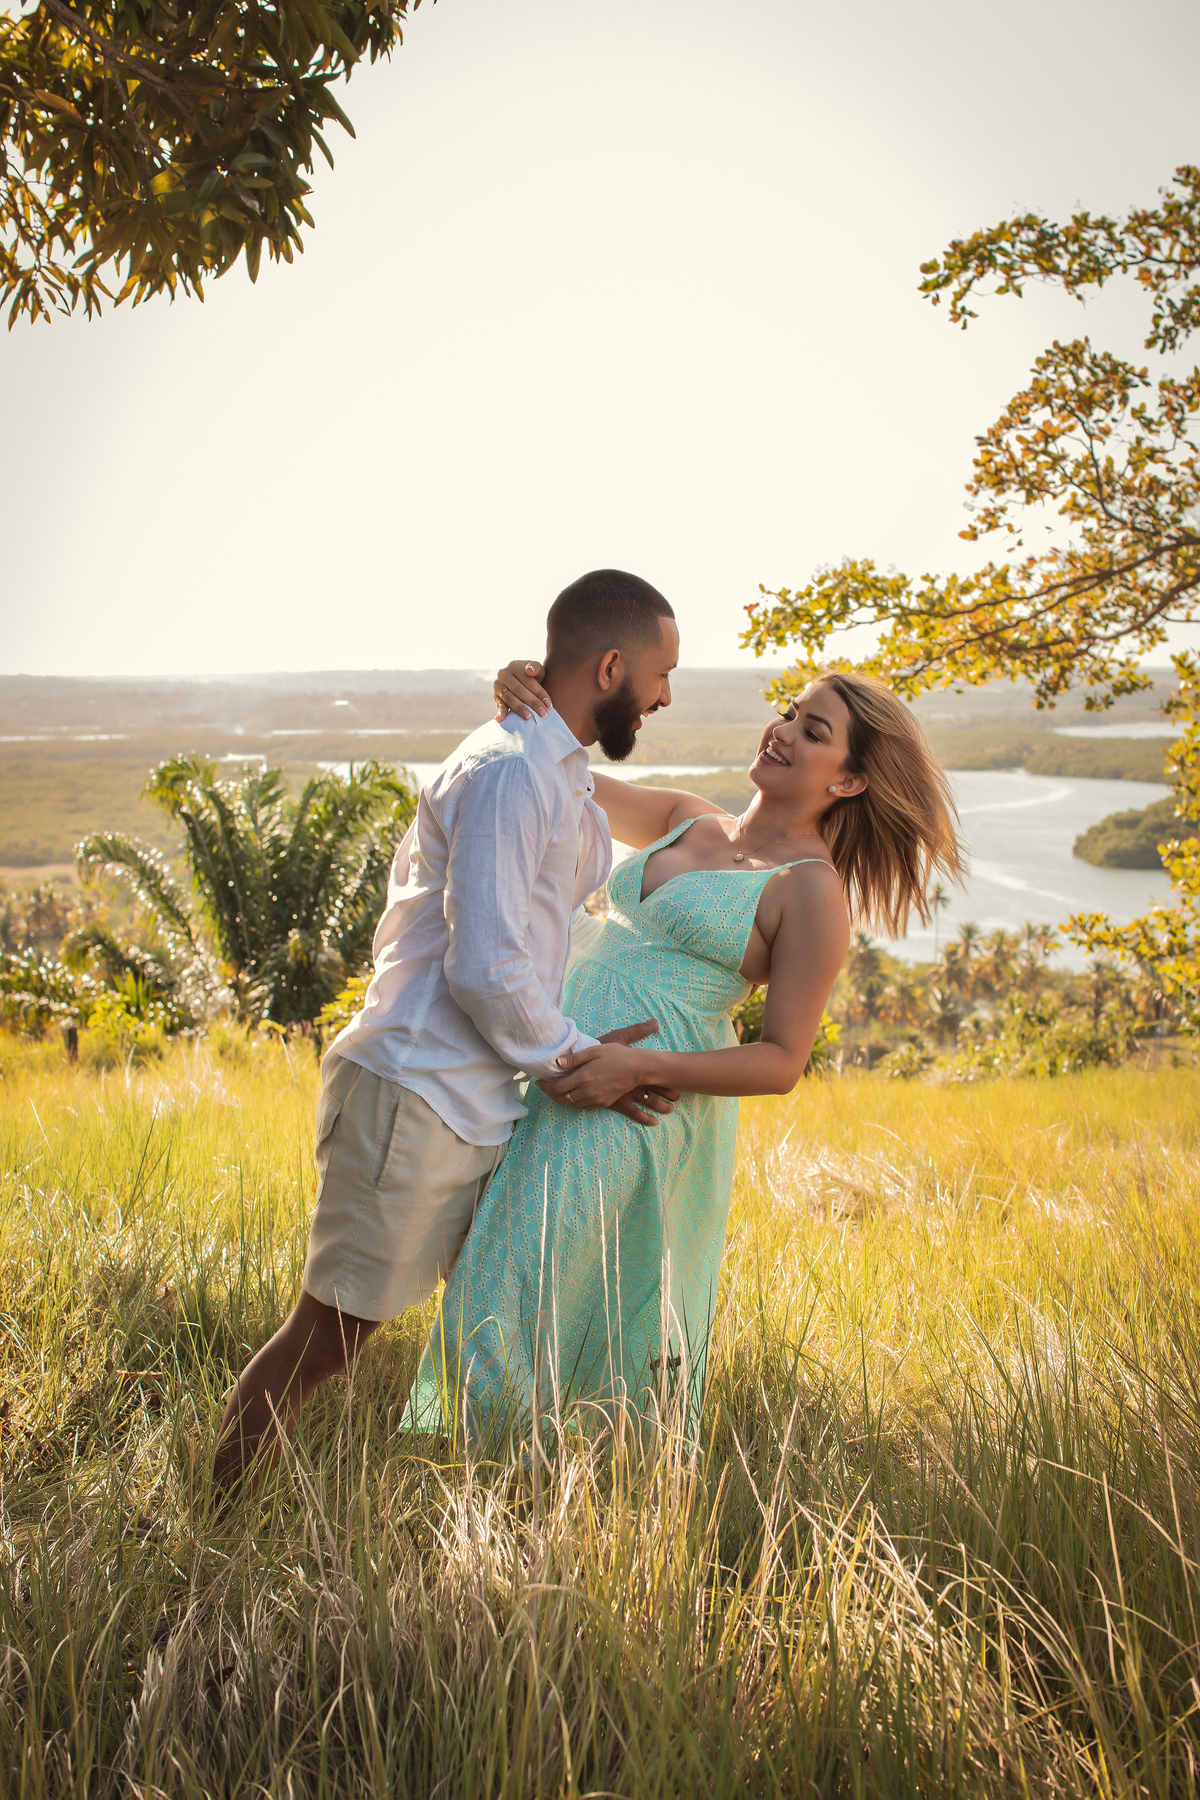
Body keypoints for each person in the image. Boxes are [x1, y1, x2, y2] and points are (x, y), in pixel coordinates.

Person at [212, 570, 683, 1491]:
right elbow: (487, 968)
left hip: (474, 1101)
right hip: (414, 1089)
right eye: (661, 674)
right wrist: (584, 1061)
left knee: (491, 1318)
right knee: (326, 1341)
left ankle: (466, 1504)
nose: (667, 696)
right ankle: (208, 1535)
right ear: (614, 665)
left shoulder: (561, 770)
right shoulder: (509, 773)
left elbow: (539, 941)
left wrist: (609, 1055)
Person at [409, 663, 966, 1441]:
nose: (784, 732)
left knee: (517, 1277)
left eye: (815, 732)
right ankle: (480, 1476)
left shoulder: (810, 891)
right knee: (488, 1255)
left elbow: (781, 1061)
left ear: (848, 783)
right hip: (550, 1055)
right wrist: (527, 700)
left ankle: (497, 1474)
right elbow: (550, 774)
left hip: (634, 1099)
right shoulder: (687, 816)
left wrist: (639, 1067)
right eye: (789, 713)